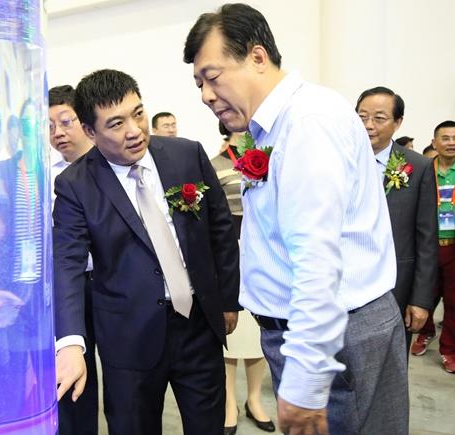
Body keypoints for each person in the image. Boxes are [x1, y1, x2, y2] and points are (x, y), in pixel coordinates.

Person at [184, 4, 408, 434]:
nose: (206, 95)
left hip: (338, 339)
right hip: (318, 334)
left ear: (257, 56)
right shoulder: (275, 126)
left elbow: (317, 256)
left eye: (212, 77)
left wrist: (306, 379)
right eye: (199, 84)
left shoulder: (308, 123)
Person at [53, 69, 240, 435]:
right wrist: (71, 342)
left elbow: (220, 229)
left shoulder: (187, 154)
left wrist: (227, 300)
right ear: (90, 131)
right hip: (128, 336)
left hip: (198, 323)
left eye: (138, 114)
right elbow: (67, 264)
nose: (135, 130)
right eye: (116, 123)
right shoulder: (75, 185)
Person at [356, 87, 438, 353]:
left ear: (398, 122)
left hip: (396, 287)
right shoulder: (339, 160)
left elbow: (427, 238)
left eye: (379, 118)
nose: (368, 125)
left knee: (391, 363)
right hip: (345, 287)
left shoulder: (418, 167)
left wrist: (421, 300)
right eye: (361, 117)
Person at [212, 121, 275, 434]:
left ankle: (254, 398)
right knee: (232, 332)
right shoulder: (215, 164)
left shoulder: (269, 155)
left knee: (258, 329)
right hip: (230, 253)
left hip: (264, 251)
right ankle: (229, 402)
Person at [48, 84, 98, 435]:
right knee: (72, 373)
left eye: (66, 122)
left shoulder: (110, 165)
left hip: (110, 284)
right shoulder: (42, 173)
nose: (58, 133)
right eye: (49, 126)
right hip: (67, 287)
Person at [411, 120, 455, 374]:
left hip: (452, 247)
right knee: (423, 294)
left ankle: (448, 349)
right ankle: (425, 332)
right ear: (434, 142)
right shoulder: (424, 169)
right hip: (426, 245)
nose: (451, 143)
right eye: (446, 138)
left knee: (453, 301)